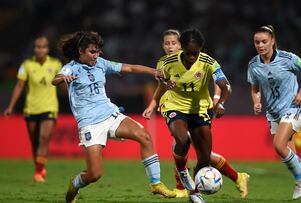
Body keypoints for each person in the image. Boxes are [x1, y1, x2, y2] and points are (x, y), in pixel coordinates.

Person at [51, 31, 175, 203]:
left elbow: (130, 67)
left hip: (110, 114)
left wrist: (154, 71)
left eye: (98, 51)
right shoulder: (71, 67)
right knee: (95, 174)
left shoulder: (101, 63)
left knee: (144, 136)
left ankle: (156, 184)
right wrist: (64, 77)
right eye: (92, 52)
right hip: (90, 124)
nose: (96, 55)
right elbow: (55, 80)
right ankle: (75, 183)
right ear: (81, 51)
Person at [143, 29, 249, 199]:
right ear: (182, 48)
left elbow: (226, 86)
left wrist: (220, 102)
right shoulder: (166, 62)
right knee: (182, 140)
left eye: (196, 53)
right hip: (174, 106)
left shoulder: (208, 62)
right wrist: (156, 99)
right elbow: (161, 82)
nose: (192, 57)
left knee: (205, 156)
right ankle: (185, 179)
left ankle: (197, 191)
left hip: (200, 109)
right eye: (189, 53)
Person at [247, 25, 301, 201]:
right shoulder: (253, 64)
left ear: (272, 41)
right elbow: (255, 88)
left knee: (279, 145)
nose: (261, 45)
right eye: (257, 42)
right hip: (273, 112)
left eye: (264, 41)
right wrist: (257, 101)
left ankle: (299, 179)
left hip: (293, 107)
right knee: (289, 152)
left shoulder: (288, 58)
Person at [4, 36, 62, 183]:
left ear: (48, 49)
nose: (40, 49)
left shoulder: (55, 64)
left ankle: (38, 172)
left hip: (49, 107)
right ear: (34, 49)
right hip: (31, 108)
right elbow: (19, 86)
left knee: (43, 138)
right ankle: (40, 166)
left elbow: (64, 85)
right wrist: (11, 106)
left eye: (43, 47)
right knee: (35, 142)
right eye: (38, 47)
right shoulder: (27, 65)